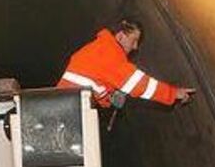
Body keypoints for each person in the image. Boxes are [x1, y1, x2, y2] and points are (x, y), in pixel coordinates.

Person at [57, 18, 195, 109]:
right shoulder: (109, 53)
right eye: (134, 40)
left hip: (65, 105)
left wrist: (109, 98)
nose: (135, 47)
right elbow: (138, 84)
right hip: (69, 108)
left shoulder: (99, 48)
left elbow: (93, 85)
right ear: (120, 36)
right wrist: (173, 93)